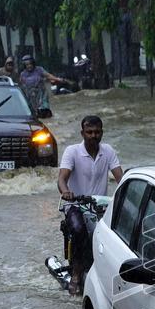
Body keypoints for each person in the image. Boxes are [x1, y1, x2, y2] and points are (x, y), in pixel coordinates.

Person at [58, 115, 123, 294]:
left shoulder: (108, 151)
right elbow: (62, 178)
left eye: (97, 132)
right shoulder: (72, 151)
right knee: (78, 229)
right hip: (75, 205)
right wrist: (66, 192)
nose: (93, 136)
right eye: (89, 132)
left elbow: (120, 177)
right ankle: (77, 272)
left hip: (100, 206)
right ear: (82, 133)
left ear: (102, 133)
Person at [19, 54, 64, 118]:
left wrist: (57, 79)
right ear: (24, 66)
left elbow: (48, 75)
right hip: (30, 95)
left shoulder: (39, 70)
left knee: (45, 111)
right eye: (27, 65)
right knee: (33, 113)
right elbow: (21, 85)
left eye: (30, 64)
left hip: (41, 93)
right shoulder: (23, 74)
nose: (29, 66)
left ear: (33, 63)